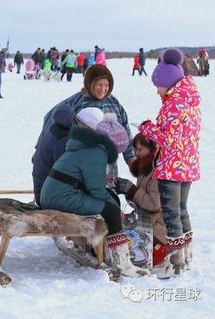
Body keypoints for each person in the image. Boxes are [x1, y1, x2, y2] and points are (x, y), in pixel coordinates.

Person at [40, 114, 149, 277]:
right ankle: (123, 263)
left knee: (109, 205)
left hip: (54, 193)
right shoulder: (97, 152)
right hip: (61, 196)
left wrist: (101, 180)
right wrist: (114, 208)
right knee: (111, 211)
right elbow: (97, 191)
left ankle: (107, 251)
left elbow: (81, 175)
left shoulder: (88, 146)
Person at [139, 48, 201, 278]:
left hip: (172, 166)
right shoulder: (189, 100)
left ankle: (174, 262)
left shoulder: (174, 104)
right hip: (188, 165)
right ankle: (186, 255)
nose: (157, 91)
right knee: (182, 211)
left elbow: (167, 138)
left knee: (171, 214)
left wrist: (147, 127)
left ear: (169, 82)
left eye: (159, 86)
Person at [37, 64, 136, 165]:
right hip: (81, 165)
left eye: (106, 85)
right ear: (90, 83)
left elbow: (124, 130)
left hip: (109, 167)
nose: (103, 89)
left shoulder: (113, 102)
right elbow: (53, 125)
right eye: (99, 84)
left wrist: (130, 158)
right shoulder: (76, 102)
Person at [32, 105, 104, 206]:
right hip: (48, 196)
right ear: (84, 126)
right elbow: (68, 177)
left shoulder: (66, 128)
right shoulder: (64, 140)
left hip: (50, 187)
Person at [114, 133, 167, 269]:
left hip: (156, 226)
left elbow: (154, 204)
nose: (137, 153)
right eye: (135, 149)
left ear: (152, 148)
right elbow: (142, 197)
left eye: (140, 149)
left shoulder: (158, 171)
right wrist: (127, 190)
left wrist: (131, 190)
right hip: (146, 219)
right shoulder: (146, 166)